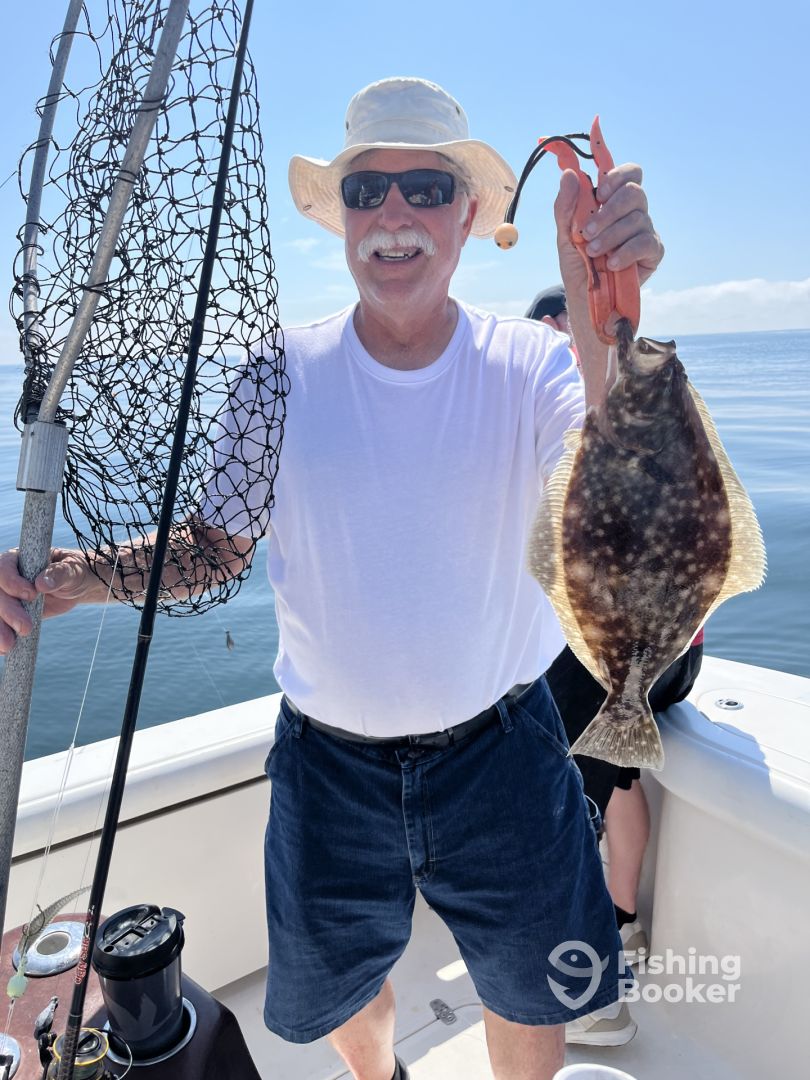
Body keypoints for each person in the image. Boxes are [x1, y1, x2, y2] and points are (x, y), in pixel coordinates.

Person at [0, 77, 666, 1080]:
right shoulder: (276, 374)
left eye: (426, 188)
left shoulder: (535, 363)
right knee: (341, 990)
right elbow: (215, 548)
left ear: (469, 214)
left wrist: (604, 303)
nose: (394, 213)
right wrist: (64, 579)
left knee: (530, 985)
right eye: (367, 191)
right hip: (327, 763)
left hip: (506, 749)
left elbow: (611, 491)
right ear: (342, 220)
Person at [526, 285, 705, 1047]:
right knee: (618, 774)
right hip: (666, 646)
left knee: (575, 801)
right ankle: (623, 924)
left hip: (618, 648)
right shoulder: (638, 407)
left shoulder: (599, 397)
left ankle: (593, 993)